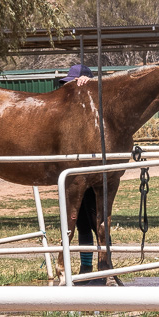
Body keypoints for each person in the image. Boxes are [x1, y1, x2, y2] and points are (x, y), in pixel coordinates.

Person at [58, 64, 98, 280]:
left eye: (75, 84)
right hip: (74, 176)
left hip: (90, 176)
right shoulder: (69, 112)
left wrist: (91, 83)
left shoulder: (93, 110)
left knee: (95, 221)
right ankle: (86, 269)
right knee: (81, 223)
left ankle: (103, 267)